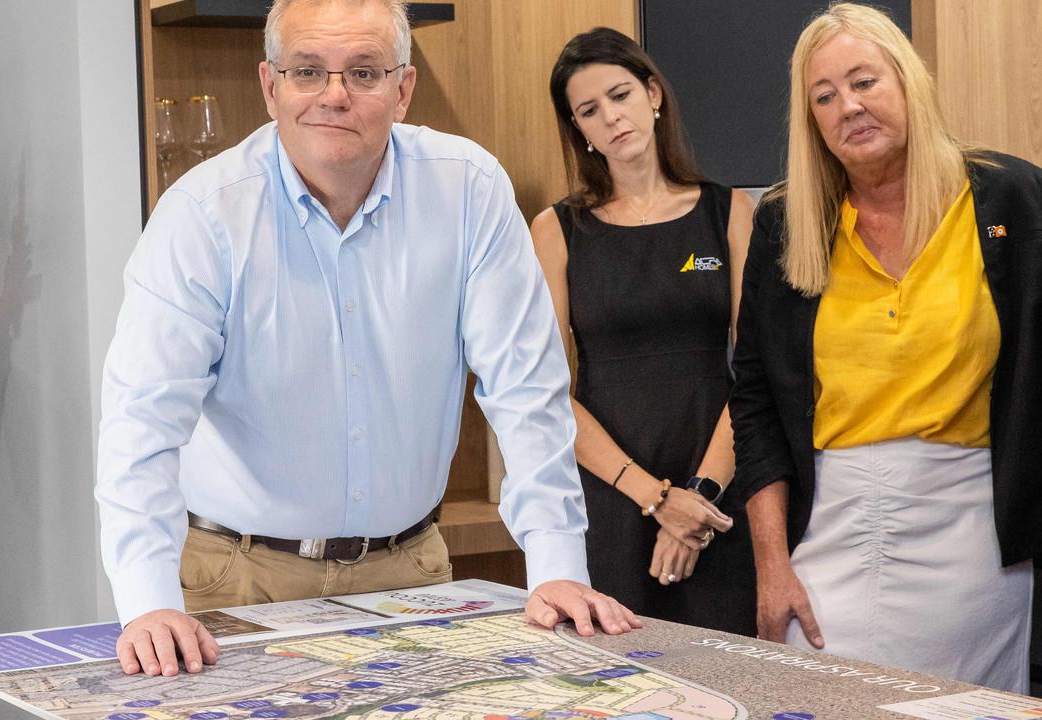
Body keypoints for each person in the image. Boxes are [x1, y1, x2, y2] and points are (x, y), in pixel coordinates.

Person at [96, 0, 639, 679]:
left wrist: (555, 568)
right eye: (307, 72)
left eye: (363, 72)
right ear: (271, 87)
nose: (334, 96)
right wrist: (146, 603)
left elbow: (526, 391)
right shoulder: (203, 215)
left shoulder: (468, 189)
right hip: (234, 576)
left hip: (414, 572)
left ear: (403, 90)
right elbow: (141, 422)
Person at [728, 3, 1042, 693]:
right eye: (825, 96)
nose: (848, 106)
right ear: (811, 121)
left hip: (976, 537)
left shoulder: (1008, 197)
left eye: (864, 81)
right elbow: (754, 401)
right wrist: (770, 563)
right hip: (831, 525)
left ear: (907, 81)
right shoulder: (786, 224)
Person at [530, 27, 756, 634]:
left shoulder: (729, 213)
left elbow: (757, 373)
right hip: (610, 496)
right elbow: (547, 393)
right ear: (578, 129)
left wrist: (696, 501)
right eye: (589, 110)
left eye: (620, 94)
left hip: (719, 493)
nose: (611, 117)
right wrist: (657, 501)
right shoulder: (556, 231)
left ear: (653, 94)